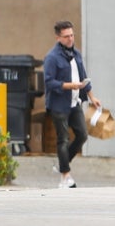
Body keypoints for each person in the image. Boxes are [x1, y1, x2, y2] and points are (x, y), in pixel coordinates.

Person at [43, 20, 101, 188]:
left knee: (82, 134)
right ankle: (65, 177)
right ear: (58, 38)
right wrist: (70, 86)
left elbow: (84, 78)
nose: (70, 39)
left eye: (72, 35)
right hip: (58, 104)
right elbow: (49, 82)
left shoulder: (76, 54)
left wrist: (92, 97)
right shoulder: (52, 58)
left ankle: (62, 163)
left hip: (75, 102)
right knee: (63, 139)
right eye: (66, 36)